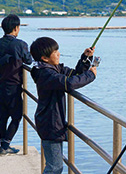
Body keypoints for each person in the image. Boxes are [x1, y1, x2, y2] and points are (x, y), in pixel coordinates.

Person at [30, 37, 97, 174]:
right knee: (55, 167)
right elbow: (70, 83)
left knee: (55, 165)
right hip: (50, 124)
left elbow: (74, 74)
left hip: (51, 122)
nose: (58, 54)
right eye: (55, 52)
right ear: (44, 58)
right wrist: (91, 75)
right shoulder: (46, 74)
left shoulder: (51, 69)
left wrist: (85, 58)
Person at [0, 14, 32, 155]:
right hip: (13, 86)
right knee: (16, 116)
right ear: (16, 28)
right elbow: (29, 60)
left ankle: (2, 144)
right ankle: (5, 144)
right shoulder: (20, 44)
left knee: (2, 116)